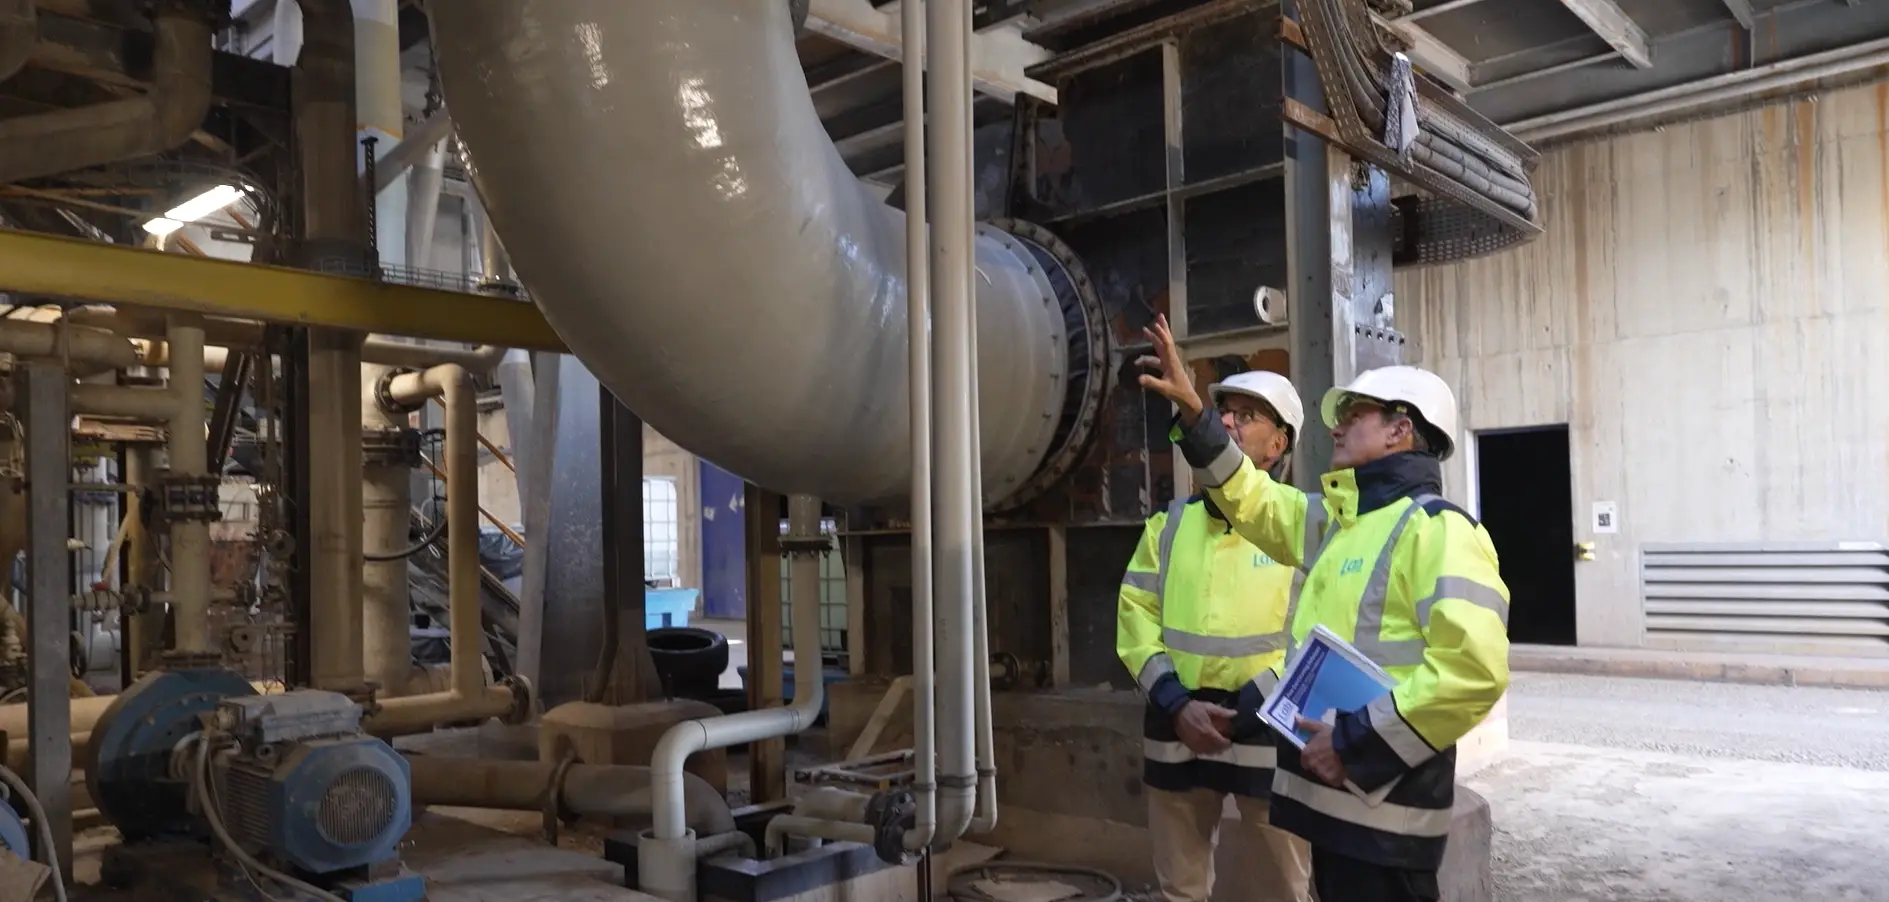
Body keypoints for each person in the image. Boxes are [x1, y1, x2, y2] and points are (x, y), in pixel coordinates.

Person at [1136, 314, 1511, 902]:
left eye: (1354, 415)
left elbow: (1473, 672)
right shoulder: (1339, 524)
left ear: (1399, 430)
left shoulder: (1439, 531)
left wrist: (1354, 744)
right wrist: (1196, 418)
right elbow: (1251, 499)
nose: (1336, 427)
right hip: (1332, 806)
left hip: (1387, 817)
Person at [1117, 370, 1314, 902]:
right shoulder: (1169, 525)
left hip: (1265, 726)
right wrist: (1176, 703)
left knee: (1283, 887)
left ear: (1279, 444)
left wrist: (1255, 702)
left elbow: (1319, 638)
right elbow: (1135, 620)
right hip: (1175, 724)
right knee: (1180, 888)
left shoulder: (1299, 528)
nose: (1227, 421)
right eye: (1223, 411)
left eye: (1246, 415)